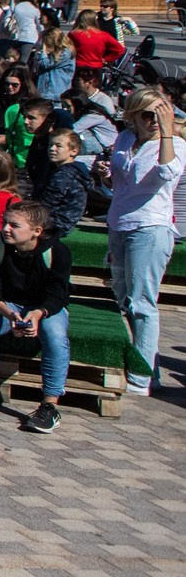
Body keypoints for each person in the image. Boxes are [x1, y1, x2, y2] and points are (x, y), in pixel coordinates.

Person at [0, 198, 71, 432]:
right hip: (6, 305)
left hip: (44, 308)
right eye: (4, 222)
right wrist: (10, 313)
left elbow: (58, 295)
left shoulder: (58, 251)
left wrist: (37, 313)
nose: (5, 229)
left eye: (14, 225)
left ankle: (50, 405)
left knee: (55, 332)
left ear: (37, 231)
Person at [106, 89, 180, 400]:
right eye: (146, 115)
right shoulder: (125, 139)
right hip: (119, 223)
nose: (151, 121)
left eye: (158, 114)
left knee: (142, 303)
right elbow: (121, 178)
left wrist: (166, 134)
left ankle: (140, 378)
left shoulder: (175, 145)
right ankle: (151, 368)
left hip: (150, 227)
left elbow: (168, 172)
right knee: (124, 299)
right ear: (133, 115)